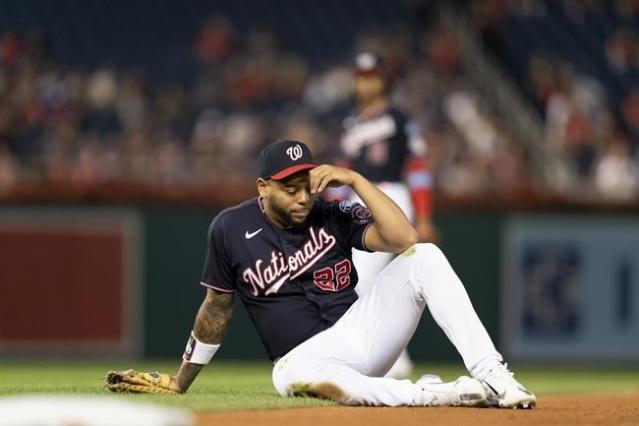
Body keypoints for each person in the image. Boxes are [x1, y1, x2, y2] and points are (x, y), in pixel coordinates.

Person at [105, 139, 536, 409]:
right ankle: (439, 394)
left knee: (424, 255)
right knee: (287, 379)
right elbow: (217, 309)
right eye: (288, 188)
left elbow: (403, 236)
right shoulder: (230, 228)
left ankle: (493, 374)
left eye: (305, 185)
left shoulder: (332, 212)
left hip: (362, 330)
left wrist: (354, 178)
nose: (300, 197)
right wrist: (182, 380)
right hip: (302, 357)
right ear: (262, 188)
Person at [336, 52, 437, 378]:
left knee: (361, 278)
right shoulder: (351, 124)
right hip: (357, 196)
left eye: (371, 76)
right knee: (361, 278)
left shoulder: (398, 117)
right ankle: (395, 357)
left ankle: (384, 357)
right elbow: (344, 172)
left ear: (382, 80)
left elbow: (418, 168)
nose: (365, 82)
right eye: (360, 76)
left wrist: (423, 216)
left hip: (391, 195)